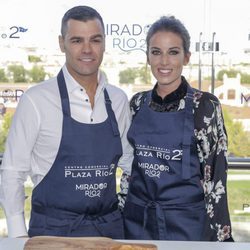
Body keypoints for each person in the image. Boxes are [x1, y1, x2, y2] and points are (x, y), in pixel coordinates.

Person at [0, 5, 133, 238]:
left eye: (95, 40)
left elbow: (130, 164)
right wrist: (18, 236)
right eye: (76, 40)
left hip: (108, 234)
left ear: (104, 43)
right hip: (51, 234)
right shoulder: (36, 100)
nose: (87, 49)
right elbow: (12, 171)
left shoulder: (118, 100)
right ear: (62, 43)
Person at [122, 15, 233, 241]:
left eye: (173, 52)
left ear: (186, 57)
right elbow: (128, 172)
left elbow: (216, 179)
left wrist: (220, 240)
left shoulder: (205, 106)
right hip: (137, 224)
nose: (164, 62)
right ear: (147, 57)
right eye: (156, 52)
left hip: (187, 228)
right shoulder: (136, 104)